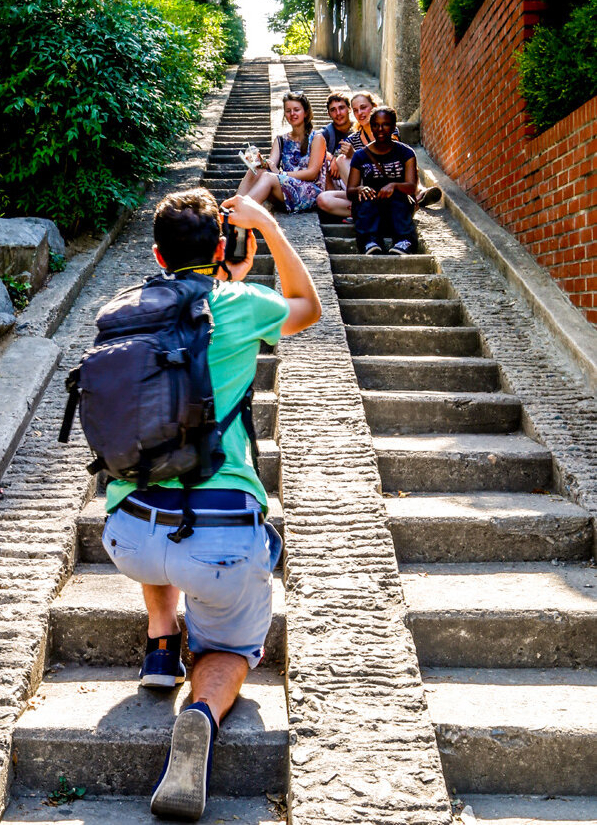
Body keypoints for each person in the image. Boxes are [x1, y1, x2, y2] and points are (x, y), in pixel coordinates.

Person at [101, 188, 321, 821]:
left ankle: (161, 645)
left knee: (155, 510)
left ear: (155, 254)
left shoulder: (126, 308)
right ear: (223, 250)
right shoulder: (242, 304)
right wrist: (270, 226)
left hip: (129, 536)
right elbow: (307, 306)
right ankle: (201, 714)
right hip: (221, 541)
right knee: (228, 647)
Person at [236, 91, 327, 212]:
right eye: (288, 111)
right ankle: (235, 207)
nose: (292, 114)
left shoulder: (317, 138)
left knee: (268, 177)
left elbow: (312, 173)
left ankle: (239, 212)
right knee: (257, 170)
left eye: (296, 110)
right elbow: (271, 164)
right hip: (285, 189)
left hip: (310, 192)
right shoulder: (281, 139)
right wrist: (260, 162)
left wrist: (282, 174)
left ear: (305, 112)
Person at [346, 105, 419, 255]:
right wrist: (360, 189)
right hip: (371, 212)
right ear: (371, 127)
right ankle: (370, 241)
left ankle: (404, 240)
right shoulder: (360, 155)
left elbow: (411, 186)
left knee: (399, 195)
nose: (380, 129)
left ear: (393, 127)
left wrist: (394, 185)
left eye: (385, 124)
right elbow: (350, 191)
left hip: (397, 212)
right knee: (365, 197)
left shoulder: (406, 153)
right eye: (376, 125)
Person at [317, 91, 378, 218]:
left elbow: (392, 163)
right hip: (359, 189)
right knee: (323, 199)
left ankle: (365, 210)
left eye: (363, 108)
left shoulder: (387, 130)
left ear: (374, 107)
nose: (360, 113)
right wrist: (334, 157)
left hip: (383, 186)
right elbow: (317, 143)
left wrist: (353, 154)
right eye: (356, 110)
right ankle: (365, 210)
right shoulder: (352, 138)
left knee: (341, 160)